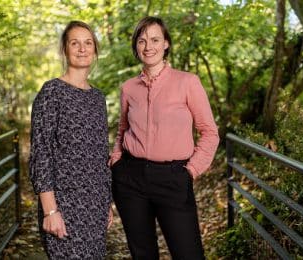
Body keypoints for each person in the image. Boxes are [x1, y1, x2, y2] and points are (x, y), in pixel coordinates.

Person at [110, 16, 219, 260]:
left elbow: (210, 132)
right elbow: (122, 130)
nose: (148, 46)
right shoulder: (129, 88)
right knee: (143, 254)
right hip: (131, 179)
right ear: (136, 47)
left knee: (188, 254)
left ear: (166, 43)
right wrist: (117, 159)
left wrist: (190, 170)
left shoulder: (188, 82)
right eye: (142, 41)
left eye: (155, 39)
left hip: (173, 179)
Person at [29, 20, 112, 259]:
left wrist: (107, 202)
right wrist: (50, 210)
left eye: (88, 43)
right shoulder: (51, 92)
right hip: (62, 204)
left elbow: (100, 154)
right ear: (65, 49)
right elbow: (40, 153)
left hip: (95, 204)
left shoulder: (98, 98)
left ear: (95, 50)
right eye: (75, 43)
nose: (82, 49)